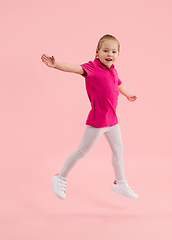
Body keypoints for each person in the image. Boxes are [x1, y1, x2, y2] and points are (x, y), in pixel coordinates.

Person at [41, 34, 138, 200]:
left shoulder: (113, 70)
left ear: (118, 55)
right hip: (98, 122)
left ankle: (120, 183)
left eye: (113, 51)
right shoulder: (92, 68)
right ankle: (60, 177)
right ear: (97, 52)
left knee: (118, 150)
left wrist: (128, 94)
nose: (109, 54)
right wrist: (55, 64)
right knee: (82, 151)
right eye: (105, 50)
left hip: (112, 121)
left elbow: (119, 83)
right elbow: (74, 68)